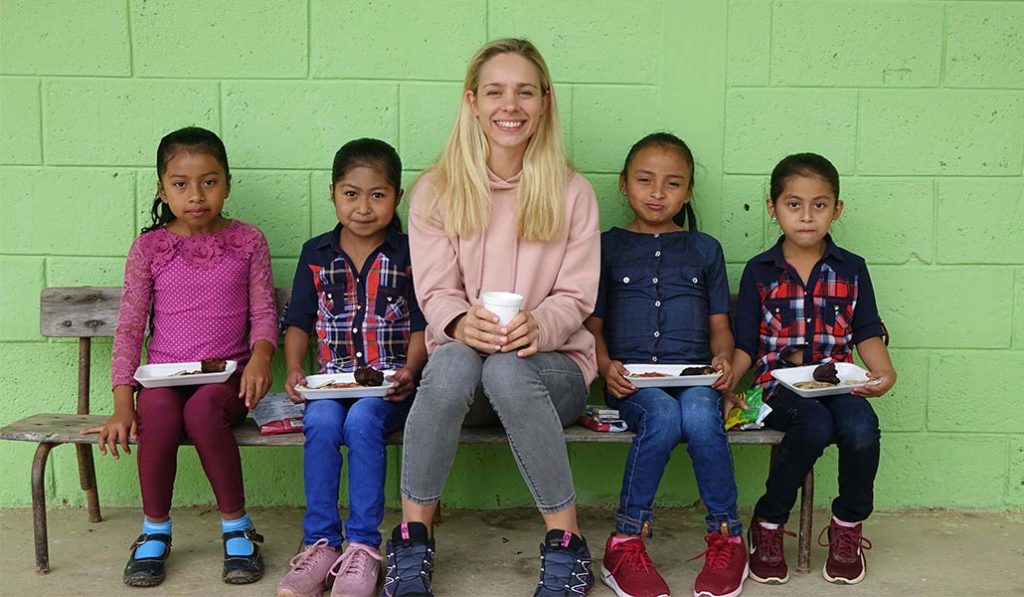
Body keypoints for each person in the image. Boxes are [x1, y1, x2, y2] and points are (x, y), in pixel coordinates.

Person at [383, 38, 601, 597]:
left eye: (525, 91)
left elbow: (576, 296)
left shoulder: (572, 193)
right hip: (463, 382)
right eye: (496, 92)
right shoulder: (435, 191)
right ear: (472, 102)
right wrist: (458, 324)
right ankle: (412, 540)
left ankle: (567, 545)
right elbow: (434, 290)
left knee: (507, 370)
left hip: (551, 372)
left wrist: (538, 326)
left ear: (545, 102)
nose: (511, 105)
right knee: (455, 360)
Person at [87, 126, 277, 587]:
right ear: (162, 188)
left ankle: (237, 527)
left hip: (227, 378)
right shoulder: (150, 248)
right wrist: (121, 402)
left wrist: (260, 358)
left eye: (209, 181)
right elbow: (131, 328)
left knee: (205, 407)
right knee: (155, 410)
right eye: (180, 183)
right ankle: (154, 530)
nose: (196, 195)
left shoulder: (247, 241)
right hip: (162, 378)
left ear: (227, 184)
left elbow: (264, 311)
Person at [585, 133, 748, 597]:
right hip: (633, 383)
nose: (658, 192)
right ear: (623, 184)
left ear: (689, 191)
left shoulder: (704, 249)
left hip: (695, 378)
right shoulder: (606, 247)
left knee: (696, 411)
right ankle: (625, 539)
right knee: (661, 414)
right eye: (645, 180)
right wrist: (605, 365)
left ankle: (727, 536)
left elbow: (720, 325)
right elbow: (592, 325)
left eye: (673, 183)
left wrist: (722, 358)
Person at [731, 152, 896, 586]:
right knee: (813, 426)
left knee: (861, 429)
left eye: (819, 205)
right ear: (773, 207)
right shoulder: (759, 272)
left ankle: (847, 525)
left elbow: (866, 331)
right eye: (793, 204)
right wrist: (727, 380)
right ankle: (768, 523)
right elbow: (746, 343)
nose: (806, 217)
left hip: (838, 382)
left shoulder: (852, 268)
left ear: (836, 210)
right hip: (777, 386)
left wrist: (883, 371)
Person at [275, 138, 426, 597]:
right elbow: (298, 319)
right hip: (330, 385)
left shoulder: (409, 253)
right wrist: (296, 367)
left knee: (362, 420)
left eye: (377, 195)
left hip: (391, 389)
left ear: (397, 197)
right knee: (320, 420)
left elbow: (423, 322)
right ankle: (321, 543)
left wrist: (412, 371)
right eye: (351, 193)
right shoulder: (316, 253)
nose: (363, 207)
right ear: (332, 193)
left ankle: (362, 547)